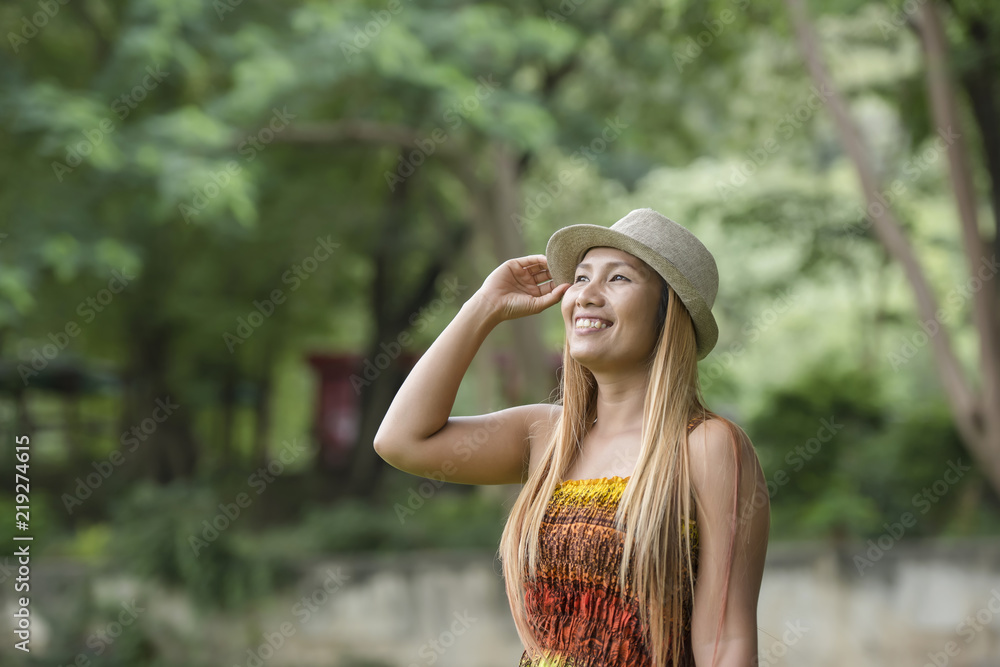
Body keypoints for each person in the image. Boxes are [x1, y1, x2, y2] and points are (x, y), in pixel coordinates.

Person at [374, 208, 770, 666]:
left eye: (618, 279)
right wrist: (482, 306)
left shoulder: (708, 446)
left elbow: (726, 644)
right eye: (581, 278)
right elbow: (401, 440)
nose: (587, 295)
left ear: (668, 313)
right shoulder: (547, 437)